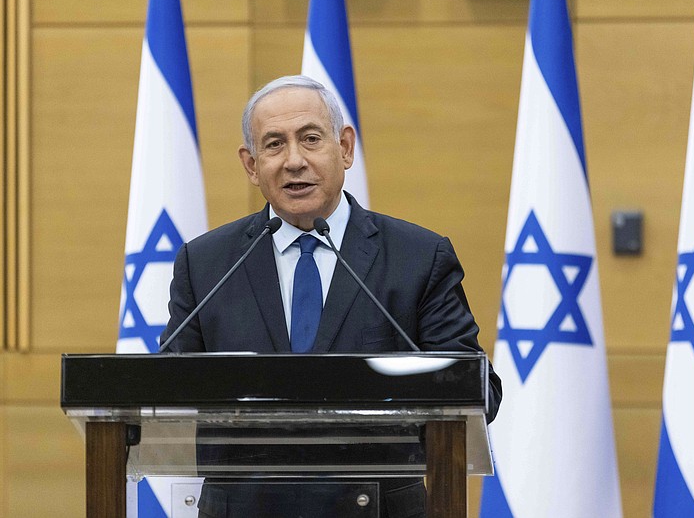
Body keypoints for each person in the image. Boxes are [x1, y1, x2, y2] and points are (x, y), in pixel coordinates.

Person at [161, 75, 502, 518]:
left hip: (378, 508)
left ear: (344, 148)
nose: (294, 161)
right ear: (251, 164)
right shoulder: (206, 263)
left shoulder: (417, 257)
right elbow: (168, 389)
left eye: (310, 139)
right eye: (274, 145)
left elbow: (478, 391)